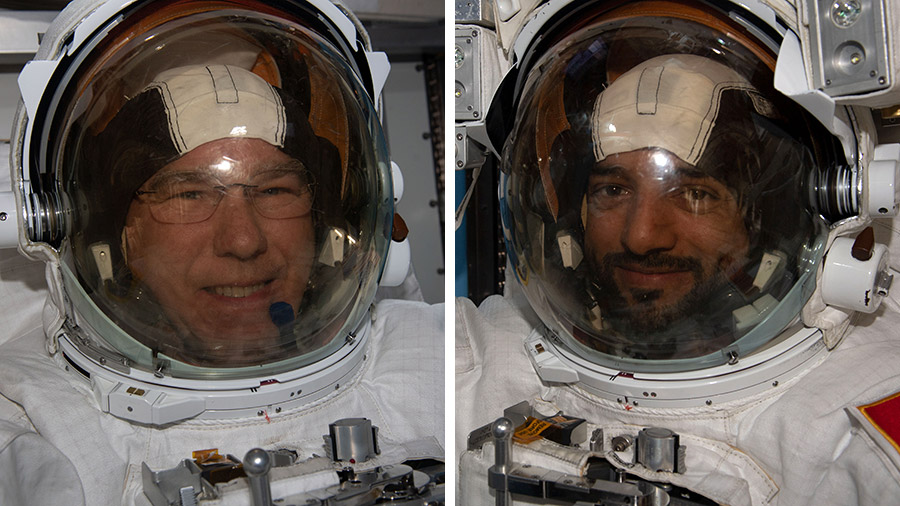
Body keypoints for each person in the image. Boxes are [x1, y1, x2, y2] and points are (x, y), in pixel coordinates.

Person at [456, 1, 900, 505]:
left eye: (695, 194)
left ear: (764, 219)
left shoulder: (850, 436)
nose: (642, 236)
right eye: (612, 191)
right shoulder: (480, 369)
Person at [0, 2, 443, 505]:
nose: (243, 241)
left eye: (275, 191)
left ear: (327, 224)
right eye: (189, 195)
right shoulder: (39, 437)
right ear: (116, 240)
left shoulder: (442, 366)